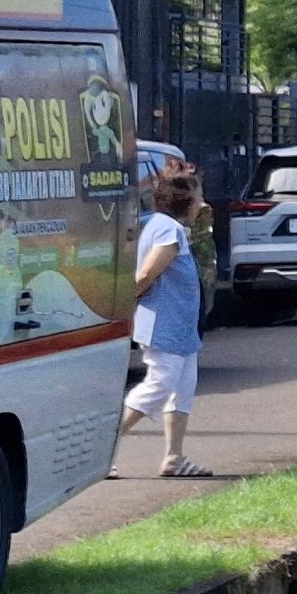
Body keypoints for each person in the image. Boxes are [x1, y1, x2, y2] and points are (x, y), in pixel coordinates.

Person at [117, 169, 210, 478]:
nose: (203, 203)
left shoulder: (167, 226)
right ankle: (104, 448)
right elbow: (145, 275)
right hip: (164, 325)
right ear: (187, 200)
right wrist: (123, 306)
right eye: (199, 196)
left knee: (182, 390)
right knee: (160, 385)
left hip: (182, 328)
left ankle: (174, 458)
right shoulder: (169, 230)